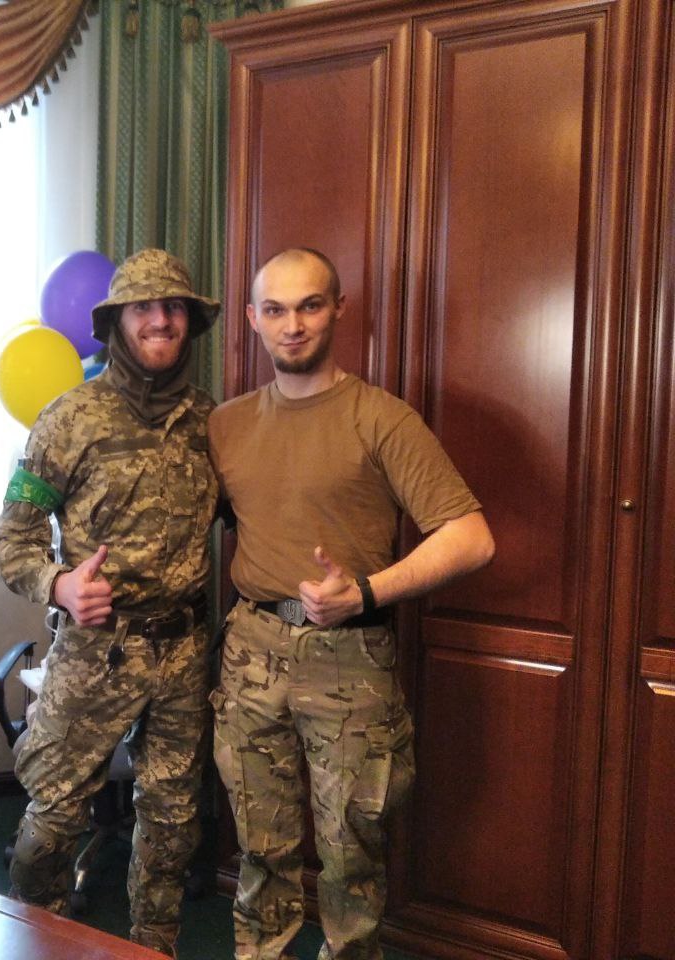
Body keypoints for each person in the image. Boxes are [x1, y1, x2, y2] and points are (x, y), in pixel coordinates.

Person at [208, 247, 495, 960]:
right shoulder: (226, 425)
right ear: (252, 319)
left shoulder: (383, 419)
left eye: (310, 305)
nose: (293, 325)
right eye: (275, 310)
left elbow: (472, 537)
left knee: (351, 851)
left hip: (350, 656)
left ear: (338, 309)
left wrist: (365, 591)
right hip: (251, 650)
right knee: (259, 843)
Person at [0, 248, 221, 957]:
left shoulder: (213, 423)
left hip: (183, 652)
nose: (160, 320)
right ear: (117, 322)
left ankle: (154, 947)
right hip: (96, 651)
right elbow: (11, 540)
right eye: (143, 308)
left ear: (190, 322)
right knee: (50, 825)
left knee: (172, 827)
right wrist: (60, 584)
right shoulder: (67, 420)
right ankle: (41, 942)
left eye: (173, 307)